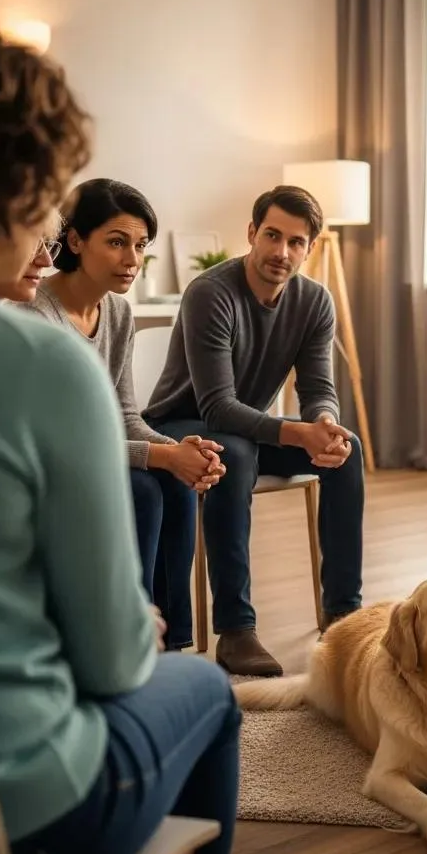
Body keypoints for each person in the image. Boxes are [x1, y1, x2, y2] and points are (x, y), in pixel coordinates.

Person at [0, 18, 239, 854]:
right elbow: (109, 662)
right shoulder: (33, 359)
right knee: (205, 686)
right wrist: (130, 624)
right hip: (16, 825)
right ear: (17, 191)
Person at [144, 184, 364, 677]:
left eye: (296, 241)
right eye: (272, 235)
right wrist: (295, 432)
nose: (281, 252)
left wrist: (324, 423)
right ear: (251, 233)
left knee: (348, 449)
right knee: (238, 452)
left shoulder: (314, 302)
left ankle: (344, 613)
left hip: (247, 429)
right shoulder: (211, 292)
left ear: (310, 248)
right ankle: (236, 629)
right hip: (180, 425)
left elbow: (318, 387)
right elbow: (217, 407)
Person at [26, 178, 225, 650]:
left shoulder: (117, 313)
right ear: (75, 240)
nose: (132, 260)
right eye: (116, 243)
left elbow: (125, 415)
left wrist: (179, 452)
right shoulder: (36, 315)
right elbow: (63, 441)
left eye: (139, 245)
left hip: (97, 454)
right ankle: (125, 639)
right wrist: (162, 458)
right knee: (144, 491)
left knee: (174, 485)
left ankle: (170, 643)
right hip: (55, 464)